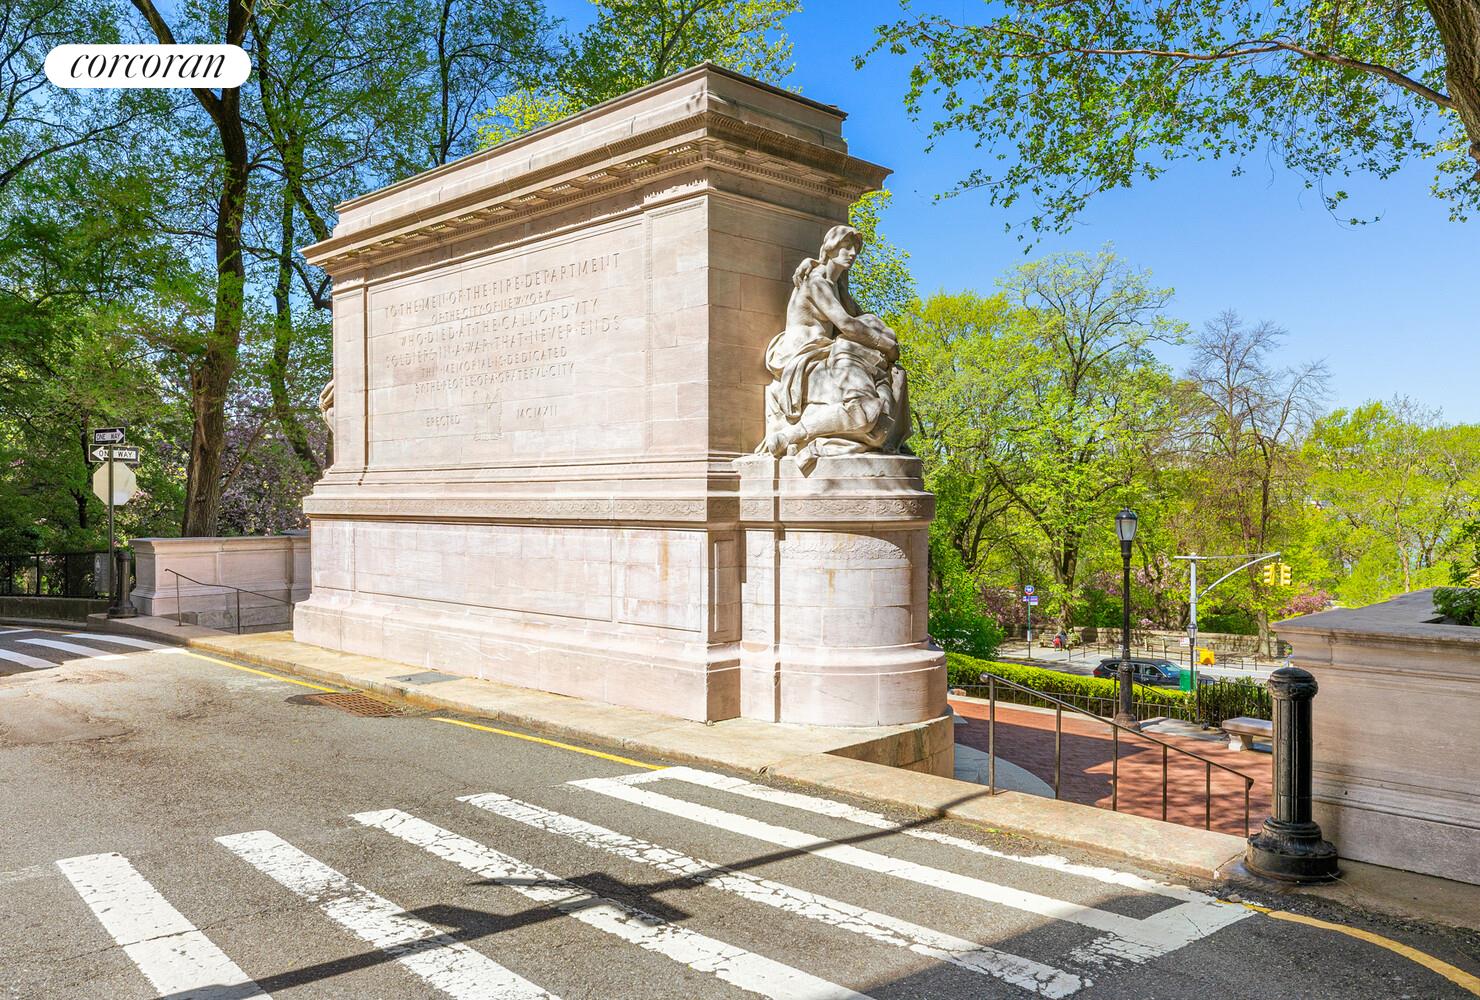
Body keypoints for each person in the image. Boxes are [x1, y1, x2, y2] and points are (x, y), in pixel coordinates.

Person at [757, 225, 910, 471]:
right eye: (845, 247)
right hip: (803, 352)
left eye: (855, 249)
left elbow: (863, 318)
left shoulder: (837, 284)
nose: (852, 254)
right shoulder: (817, 281)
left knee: (893, 377)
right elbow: (847, 324)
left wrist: (885, 337)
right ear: (830, 248)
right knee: (864, 392)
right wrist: (886, 344)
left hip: (826, 349)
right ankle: (802, 436)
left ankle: (852, 440)